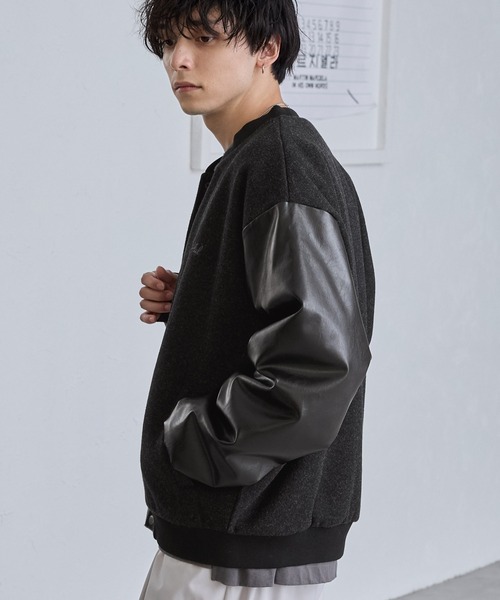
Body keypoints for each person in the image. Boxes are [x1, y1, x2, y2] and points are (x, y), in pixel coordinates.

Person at [137, 1, 375, 598]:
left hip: (240, 538)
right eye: (168, 42)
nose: (178, 60)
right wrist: (201, 303)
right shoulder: (255, 158)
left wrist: (196, 440)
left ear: (268, 49)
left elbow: (320, 365)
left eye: (203, 38)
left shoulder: (281, 163)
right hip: (243, 528)